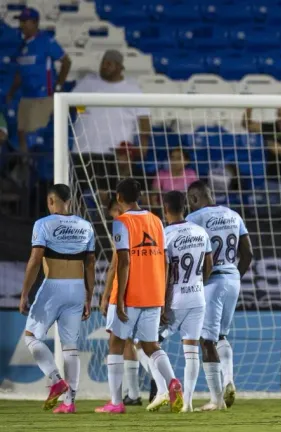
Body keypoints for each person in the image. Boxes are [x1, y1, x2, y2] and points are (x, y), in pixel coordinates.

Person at [96, 178, 183, 414]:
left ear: (119, 197)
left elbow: (122, 261)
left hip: (130, 294)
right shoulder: (156, 221)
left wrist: (118, 297)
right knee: (150, 345)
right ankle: (174, 382)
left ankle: (116, 402)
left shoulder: (121, 222)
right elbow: (165, 261)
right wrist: (162, 298)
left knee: (115, 343)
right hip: (153, 294)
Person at [19, 184, 95, 413]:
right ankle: (69, 403)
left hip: (53, 287)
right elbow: (90, 264)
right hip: (77, 289)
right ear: (69, 200)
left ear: (51, 201)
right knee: (71, 347)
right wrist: (88, 297)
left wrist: (24, 293)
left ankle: (56, 379)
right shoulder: (86, 226)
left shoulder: (43, 224)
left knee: (31, 337)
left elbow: (34, 261)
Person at [186, 180, 253, 410]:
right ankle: (229, 380)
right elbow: (248, 253)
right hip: (233, 279)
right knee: (221, 336)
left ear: (194, 199)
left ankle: (216, 400)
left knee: (206, 340)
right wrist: (234, 275)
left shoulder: (195, 219)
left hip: (211, 281)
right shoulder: (234, 215)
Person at [161, 191, 213, 413]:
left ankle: (170, 387)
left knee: (145, 343)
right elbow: (209, 263)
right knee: (191, 349)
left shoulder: (166, 234)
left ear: (165, 209)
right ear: (185, 207)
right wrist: (200, 283)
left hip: (175, 298)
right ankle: (188, 403)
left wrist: (163, 301)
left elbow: (163, 269)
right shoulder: (201, 232)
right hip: (197, 295)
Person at [71, 50, 151, 192]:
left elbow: (144, 118)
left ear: (120, 67)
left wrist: (144, 145)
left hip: (114, 153)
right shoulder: (87, 84)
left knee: (111, 198)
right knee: (80, 196)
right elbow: (71, 104)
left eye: (109, 63)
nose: (104, 66)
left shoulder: (132, 90)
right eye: (103, 63)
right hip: (83, 150)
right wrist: (84, 111)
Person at [100, 196, 150, 407]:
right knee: (136, 342)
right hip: (147, 290)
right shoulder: (147, 225)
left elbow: (115, 266)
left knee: (120, 341)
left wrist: (105, 295)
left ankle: (162, 384)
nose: (112, 216)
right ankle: (135, 393)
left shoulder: (122, 228)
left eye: (112, 211)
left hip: (126, 293)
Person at [6, 8, 71, 153]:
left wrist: (58, 86)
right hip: (26, 97)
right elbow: (20, 73)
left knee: (35, 139)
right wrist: (11, 92)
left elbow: (66, 62)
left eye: (25, 21)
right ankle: (26, 171)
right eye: (20, 21)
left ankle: (44, 173)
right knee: (22, 141)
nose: (22, 25)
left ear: (35, 23)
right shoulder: (22, 45)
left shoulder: (46, 41)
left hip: (43, 97)